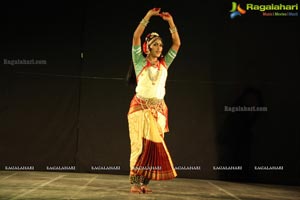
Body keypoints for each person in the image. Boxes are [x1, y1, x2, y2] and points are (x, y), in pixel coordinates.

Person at [127, 7, 181, 194]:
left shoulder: (165, 63)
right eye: (156, 45)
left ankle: (144, 184)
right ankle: (134, 184)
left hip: (158, 111)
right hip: (139, 109)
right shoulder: (139, 62)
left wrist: (171, 23)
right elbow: (135, 37)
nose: (159, 48)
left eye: (160, 45)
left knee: (153, 150)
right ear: (148, 46)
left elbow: (177, 44)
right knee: (139, 147)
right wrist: (148, 17)